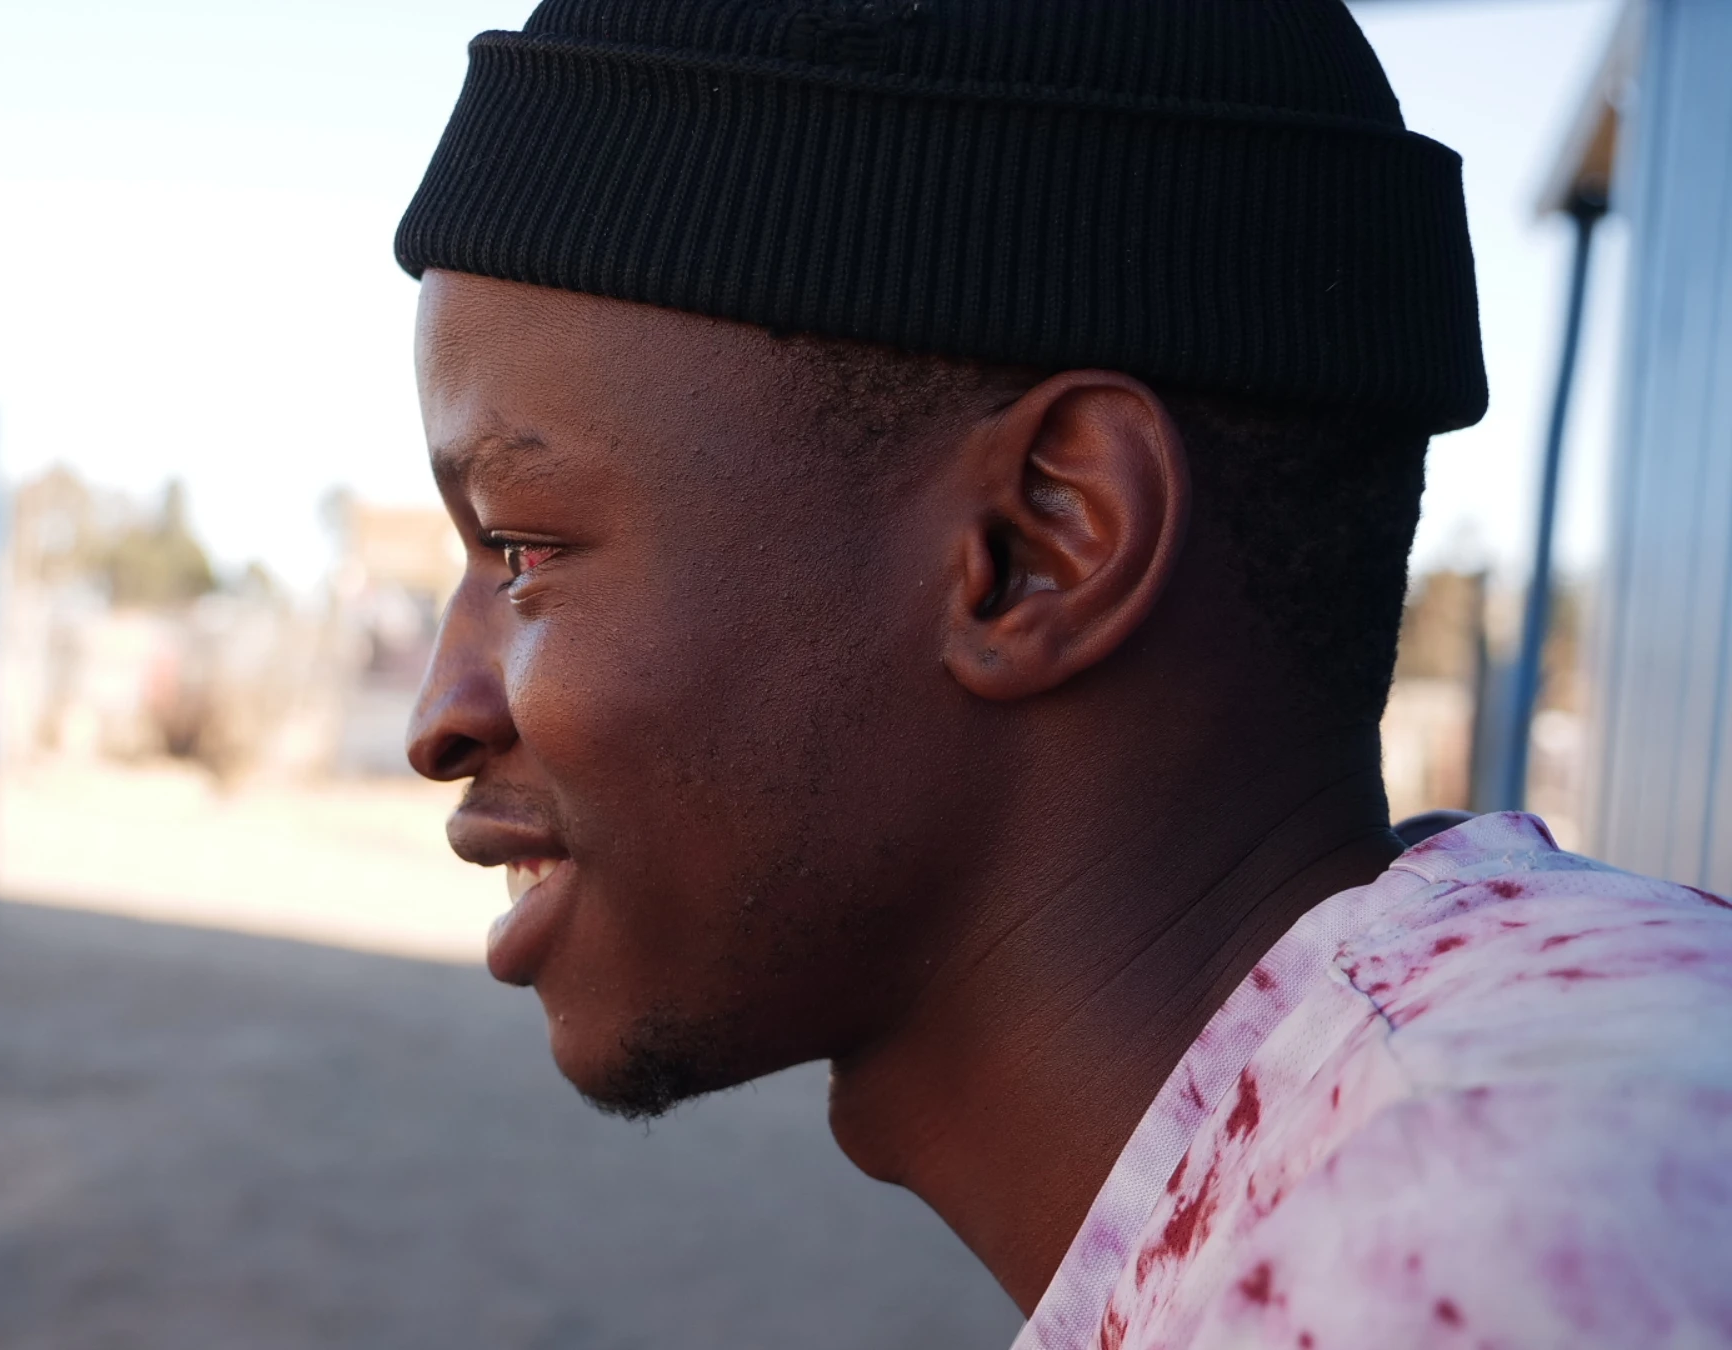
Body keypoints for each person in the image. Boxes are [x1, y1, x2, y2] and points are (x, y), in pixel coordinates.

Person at [393, 2, 1732, 1346]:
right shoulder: (1428, 1136)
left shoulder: (1486, 1246)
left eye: (522, 545)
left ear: (1039, 540)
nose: (438, 719)